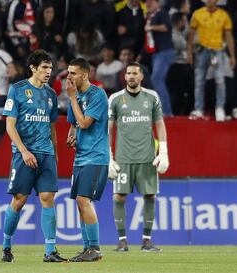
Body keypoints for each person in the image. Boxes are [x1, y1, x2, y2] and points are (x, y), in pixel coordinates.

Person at [1, 49, 68, 263]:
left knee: (48, 198)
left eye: (50, 68)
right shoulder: (18, 90)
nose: (48, 72)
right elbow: (10, 126)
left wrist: (55, 152)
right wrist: (24, 151)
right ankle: (6, 247)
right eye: (44, 68)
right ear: (33, 68)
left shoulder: (51, 94)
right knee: (19, 201)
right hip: (24, 154)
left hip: (46, 153)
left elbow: (52, 127)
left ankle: (50, 251)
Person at [108, 62, 169, 252]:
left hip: (147, 158)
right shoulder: (116, 99)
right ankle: (122, 241)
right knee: (118, 197)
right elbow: (108, 129)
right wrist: (108, 156)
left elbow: (159, 124)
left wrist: (164, 152)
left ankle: (147, 241)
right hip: (123, 159)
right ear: (124, 77)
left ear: (141, 76)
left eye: (135, 73)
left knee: (150, 196)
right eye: (128, 73)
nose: (131, 76)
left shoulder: (152, 97)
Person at [65, 58, 109, 262]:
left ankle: (95, 248)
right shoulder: (76, 95)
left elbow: (84, 122)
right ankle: (86, 248)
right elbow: (74, 124)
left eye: (73, 73)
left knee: (84, 200)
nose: (69, 76)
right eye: (68, 72)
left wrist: (72, 99)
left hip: (96, 156)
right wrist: (71, 135)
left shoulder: (97, 94)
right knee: (79, 203)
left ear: (84, 75)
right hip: (80, 157)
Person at [187, 0, 236, 122]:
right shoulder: (197, 14)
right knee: (199, 80)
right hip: (202, 50)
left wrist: (232, 56)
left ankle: (219, 107)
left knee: (220, 80)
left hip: (217, 51)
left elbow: (228, 36)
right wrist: (189, 52)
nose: (210, 1)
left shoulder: (223, 15)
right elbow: (191, 35)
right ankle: (198, 108)